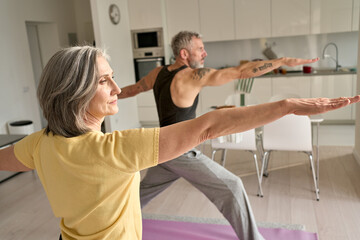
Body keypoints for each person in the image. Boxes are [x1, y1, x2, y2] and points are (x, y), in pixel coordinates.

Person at [0, 46, 358, 240]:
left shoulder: (38, 145)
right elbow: (208, 126)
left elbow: (2, 159)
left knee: (128, 192)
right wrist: (287, 104)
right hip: (173, 147)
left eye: (113, 79)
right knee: (229, 184)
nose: (115, 89)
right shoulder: (116, 150)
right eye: (104, 81)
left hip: (147, 160)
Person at [117, 31, 343, 240]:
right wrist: (281, 61)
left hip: (161, 146)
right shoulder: (193, 76)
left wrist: (105, 95)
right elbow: (240, 72)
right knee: (232, 185)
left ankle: (108, 224)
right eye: (200, 49)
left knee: (140, 194)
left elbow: (133, 89)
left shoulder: (158, 73)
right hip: (180, 151)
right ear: (184, 54)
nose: (205, 53)